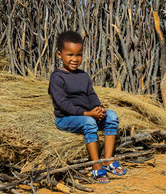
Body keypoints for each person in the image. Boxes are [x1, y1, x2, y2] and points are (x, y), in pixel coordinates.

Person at [48, 31, 126, 183]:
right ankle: (96, 166)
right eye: (70, 55)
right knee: (89, 123)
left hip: (87, 114)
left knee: (112, 116)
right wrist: (88, 114)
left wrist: (98, 108)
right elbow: (63, 105)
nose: (75, 59)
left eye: (79, 55)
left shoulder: (83, 76)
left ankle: (107, 159)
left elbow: (91, 94)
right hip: (66, 118)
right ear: (59, 54)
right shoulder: (57, 78)